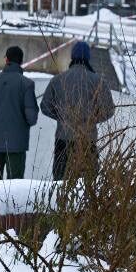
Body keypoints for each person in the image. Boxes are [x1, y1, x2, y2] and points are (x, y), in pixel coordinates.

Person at [40, 40, 116, 180]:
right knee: (88, 181)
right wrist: (92, 119)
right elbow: (109, 110)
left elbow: (45, 107)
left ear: (72, 57)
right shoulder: (98, 81)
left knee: (60, 180)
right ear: (88, 58)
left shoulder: (58, 80)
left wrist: (62, 117)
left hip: (63, 138)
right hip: (88, 138)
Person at [0, 45, 38, 179]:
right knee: (15, 186)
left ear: (6, 60)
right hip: (17, 144)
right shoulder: (27, 84)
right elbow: (32, 117)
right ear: (21, 61)